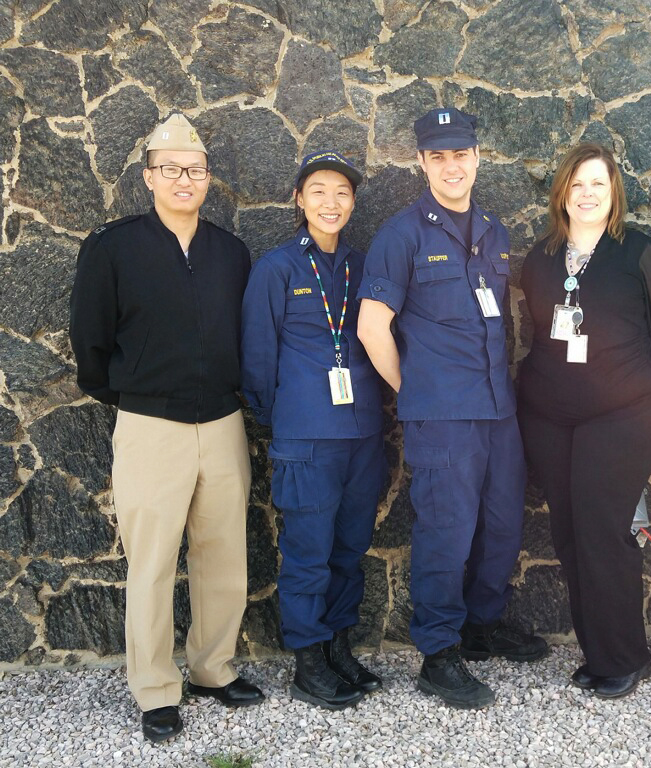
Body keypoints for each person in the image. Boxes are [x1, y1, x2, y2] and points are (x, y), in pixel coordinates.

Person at [69, 114, 263, 743]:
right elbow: (90, 343)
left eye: (197, 170)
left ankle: (213, 668)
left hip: (223, 421)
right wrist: (132, 396)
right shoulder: (113, 246)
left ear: (209, 179)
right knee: (150, 563)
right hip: (151, 424)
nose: (186, 179)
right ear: (149, 176)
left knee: (224, 555)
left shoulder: (230, 253)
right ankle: (154, 688)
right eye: (172, 169)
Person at [356, 107, 547, 710]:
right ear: (422, 162)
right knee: (446, 531)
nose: (451, 166)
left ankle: (481, 625)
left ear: (477, 158)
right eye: (438, 156)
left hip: (498, 409)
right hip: (441, 415)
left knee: (502, 524)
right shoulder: (401, 235)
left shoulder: (493, 230)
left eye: (460, 154)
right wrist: (413, 389)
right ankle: (438, 653)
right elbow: (371, 327)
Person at [517, 144, 651, 698]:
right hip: (551, 418)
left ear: (614, 194)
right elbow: (537, 334)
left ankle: (626, 657)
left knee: (603, 530)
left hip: (623, 417)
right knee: (568, 534)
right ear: (562, 191)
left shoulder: (639, 253)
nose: (588, 194)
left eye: (599, 184)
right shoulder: (540, 257)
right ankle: (597, 652)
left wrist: (634, 389)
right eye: (578, 184)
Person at [241, 151, 388, 711]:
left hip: (361, 435)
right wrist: (280, 420)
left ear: (352, 203)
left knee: (349, 549)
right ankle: (307, 660)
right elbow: (257, 356)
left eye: (343, 193)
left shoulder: (361, 264)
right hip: (306, 436)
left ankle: (339, 647)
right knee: (307, 552)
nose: (332, 202)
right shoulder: (276, 267)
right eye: (319, 191)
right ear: (299, 200)